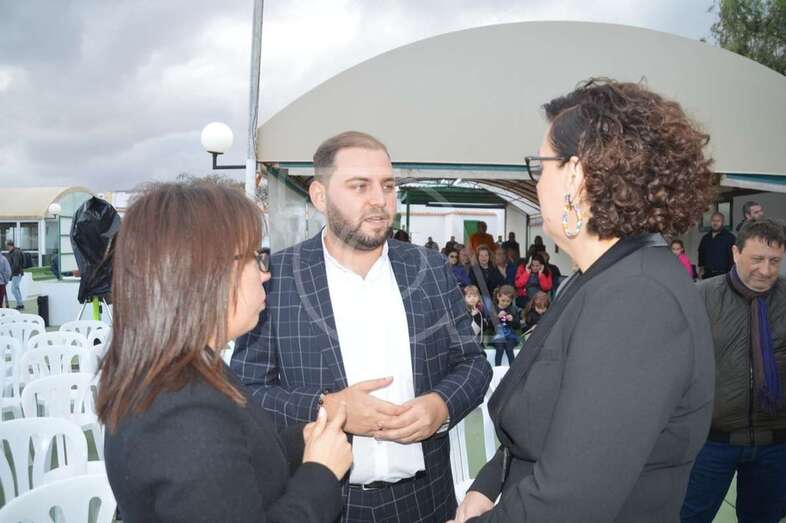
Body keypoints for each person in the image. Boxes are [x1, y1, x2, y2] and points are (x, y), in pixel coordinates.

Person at [452, 78, 716, 523]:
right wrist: (489, 483)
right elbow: (548, 421)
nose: (537, 183)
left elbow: (571, 500)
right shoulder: (602, 278)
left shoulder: (636, 299)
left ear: (575, 175)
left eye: (541, 167)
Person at [231, 131, 491, 523]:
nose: (379, 200)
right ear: (320, 196)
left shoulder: (430, 269)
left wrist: (441, 406)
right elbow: (245, 391)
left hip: (427, 502)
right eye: (360, 186)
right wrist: (327, 408)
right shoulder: (277, 278)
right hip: (322, 503)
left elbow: (473, 364)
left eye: (388, 186)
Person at [98, 182, 351, 523]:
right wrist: (321, 473)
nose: (266, 274)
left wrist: (302, 441)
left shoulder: (186, 370)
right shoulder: (182, 414)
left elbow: (234, 461)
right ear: (209, 273)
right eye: (255, 258)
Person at [681, 219, 786, 523]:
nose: (765, 270)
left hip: (775, 444)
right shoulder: (701, 297)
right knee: (690, 517)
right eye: (757, 259)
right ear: (736, 253)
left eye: (774, 261)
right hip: (712, 442)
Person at [698, 212, 735, 279]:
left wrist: (731, 274)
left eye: (718, 221)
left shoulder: (730, 238)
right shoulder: (705, 238)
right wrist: (701, 270)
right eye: (713, 220)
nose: (715, 223)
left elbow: (734, 257)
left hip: (724, 275)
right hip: (707, 275)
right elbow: (701, 254)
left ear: (723, 222)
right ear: (710, 222)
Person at [490, 285, 520, 366]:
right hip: (498, 335)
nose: (505, 303)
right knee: (500, 349)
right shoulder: (493, 309)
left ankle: (513, 370)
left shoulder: (513, 309)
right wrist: (497, 318)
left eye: (508, 301)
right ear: (498, 297)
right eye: (503, 300)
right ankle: (497, 369)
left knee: (509, 349)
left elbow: (518, 326)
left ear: (511, 300)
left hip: (510, 335)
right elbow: (489, 326)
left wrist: (512, 320)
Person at [470, 245, 506, 310]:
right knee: (487, 301)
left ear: (489, 257)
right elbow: (472, 285)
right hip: (479, 296)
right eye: (481, 255)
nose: (484, 258)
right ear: (478, 257)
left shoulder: (494, 268)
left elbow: (502, 282)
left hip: (494, 295)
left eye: (486, 255)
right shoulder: (474, 269)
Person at [4, 240, 25, 310]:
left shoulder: (15, 252)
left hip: (17, 273)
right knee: (16, 288)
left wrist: (10, 273)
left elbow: (16, 264)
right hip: (17, 273)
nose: (6, 247)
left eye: (6, 245)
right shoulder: (13, 252)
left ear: (9, 245)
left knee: (14, 289)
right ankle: (20, 304)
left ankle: (20, 305)